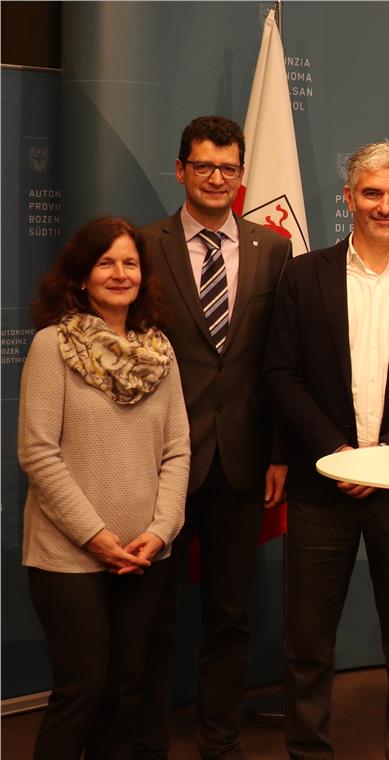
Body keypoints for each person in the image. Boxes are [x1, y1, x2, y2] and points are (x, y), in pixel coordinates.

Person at [264, 140, 389, 760]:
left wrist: (383, 460)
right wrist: (339, 455)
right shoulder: (303, 275)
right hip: (320, 487)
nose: (385, 205)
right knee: (307, 642)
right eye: (372, 193)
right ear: (348, 198)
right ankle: (307, 751)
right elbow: (281, 374)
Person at [135, 114, 293, 759]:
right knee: (155, 615)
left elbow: (280, 359)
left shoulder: (272, 248)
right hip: (162, 463)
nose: (216, 178)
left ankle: (220, 742)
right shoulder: (144, 246)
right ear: (181, 170)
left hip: (242, 462)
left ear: (242, 174)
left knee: (230, 616)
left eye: (228, 168)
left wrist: (279, 453)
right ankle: (146, 743)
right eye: (204, 166)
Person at [18, 216, 190, 759]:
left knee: (126, 691)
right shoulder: (52, 346)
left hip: (144, 554)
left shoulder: (159, 351)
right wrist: (95, 536)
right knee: (84, 688)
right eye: (105, 263)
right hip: (68, 556)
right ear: (80, 276)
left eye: (130, 263)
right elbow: (38, 453)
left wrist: (160, 532)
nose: (120, 274)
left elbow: (177, 451)